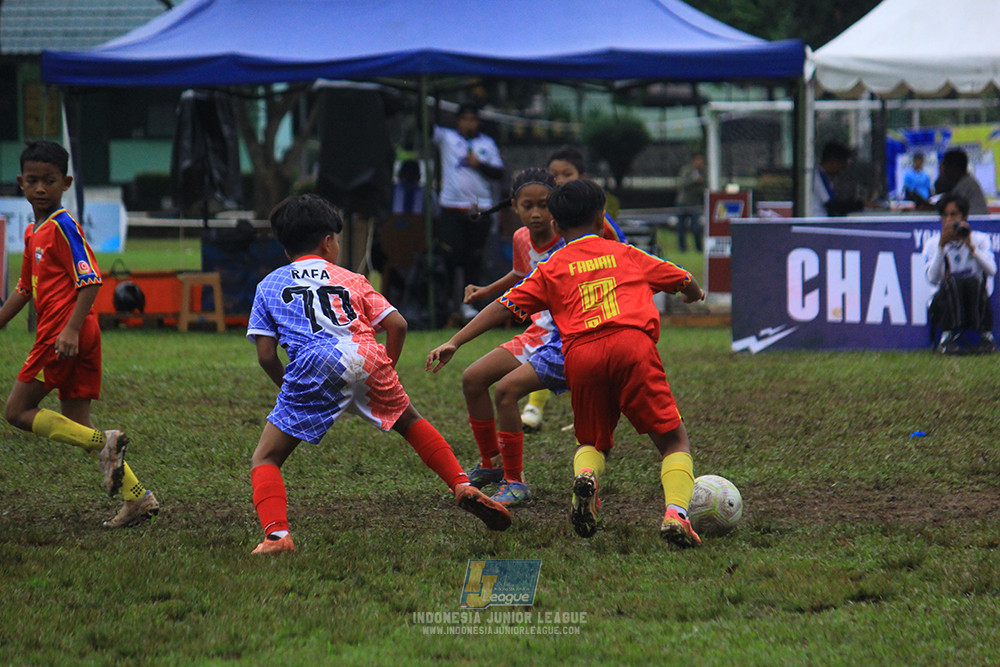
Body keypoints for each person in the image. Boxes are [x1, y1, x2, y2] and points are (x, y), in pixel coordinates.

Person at [427, 179, 706, 547]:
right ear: (602, 218)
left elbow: (503, 306)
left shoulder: (551, 266)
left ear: (556, 226)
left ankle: (586, 478)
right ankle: (676, 515)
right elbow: (682, 277)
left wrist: (455, 340)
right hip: (632, 346)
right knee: (673, 439)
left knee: (592, 441)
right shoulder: (627, 254)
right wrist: (694, 293)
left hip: (580, 354)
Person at [246, 194, 511, 554]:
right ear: (328, 241)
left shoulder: (268, 286)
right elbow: (397, 324)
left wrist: (288, 386)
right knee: (411, 421)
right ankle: (462, 484)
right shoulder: (351, 278)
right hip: (367, 354)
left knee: (266, 457)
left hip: (314, 362)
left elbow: (265, 356)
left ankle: (277, 537)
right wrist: (387, 368)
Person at [0, 140, 159, 528]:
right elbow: (24, 288)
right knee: (76, 421)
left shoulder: (63, 226)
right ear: (20, 183)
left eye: (49, 181)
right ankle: (138, 498)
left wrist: (69, 329)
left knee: (17, 412)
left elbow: (91, 280)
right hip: (77, 333)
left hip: (63, 333)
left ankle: (104, 442)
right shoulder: (34, 232)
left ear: (65, 182)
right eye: (33, 180)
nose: (40, 188)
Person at [438, 168, 561, 508]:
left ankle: (515, 480)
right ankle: (492, 464)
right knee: (473, 379)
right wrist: (485, 291)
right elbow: (522, 277)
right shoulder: (522, 238)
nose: (536, 213)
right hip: (538, 331)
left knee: (506, 392)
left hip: (571, 335)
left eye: (544, 205)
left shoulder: (571, 238)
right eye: (528, 206)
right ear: (514, 206)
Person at [515, 146, 629, 434]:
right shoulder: (544, 219)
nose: (561, 180)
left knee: (588, 360)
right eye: (555, 175)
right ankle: (534, 408)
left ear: (583, 177)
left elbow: (622, 250)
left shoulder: (591, 216)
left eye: (568, 174)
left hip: (592, 301)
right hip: (557, 303)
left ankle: (592, 417)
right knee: (555, 347)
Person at [432, 102, 505, 321]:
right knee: (450, 255)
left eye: (473, 119)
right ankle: (445, 303)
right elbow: (424, 127)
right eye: (465, 119)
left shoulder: (487, 144)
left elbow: (498, 173)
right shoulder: (447, 138)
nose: (469, 123)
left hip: (479, 208)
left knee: (474, 258)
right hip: (452, 207)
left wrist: (479, 164)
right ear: (458, 121)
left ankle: (469, 304)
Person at [923, 193, 997, 355]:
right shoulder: (933, 243)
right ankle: (947, 339)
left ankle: (986, 338)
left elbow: (991, 270)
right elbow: (932, 279)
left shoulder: (980, 239)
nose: (949, 220)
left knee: (972, 282)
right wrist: (942, 247)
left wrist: (971, 247)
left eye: (954, 215)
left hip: (974, 294)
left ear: (964, 216)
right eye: (945, 215)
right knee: (953, 283)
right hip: (945, 298)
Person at [813, 141, 864, 217]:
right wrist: (861, 204)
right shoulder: (818, 176)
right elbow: (833, 205)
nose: (841, 171)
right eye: (842, 166)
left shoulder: (825, 177)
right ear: (834, 162)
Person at [935, 149, 989, 215]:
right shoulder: (963, 183)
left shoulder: (966, 185)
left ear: (954, 168)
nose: (942, 169)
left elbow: (950, 209)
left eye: (945, 166)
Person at [674, 153, 705, 252]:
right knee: (681, 227)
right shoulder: (687, 170)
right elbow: (682, 184)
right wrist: (694, 181)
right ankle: (682, 248)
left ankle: (698, 248)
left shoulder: (703, 171)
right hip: (683, 202)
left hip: (695, 203)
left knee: (696, 227)